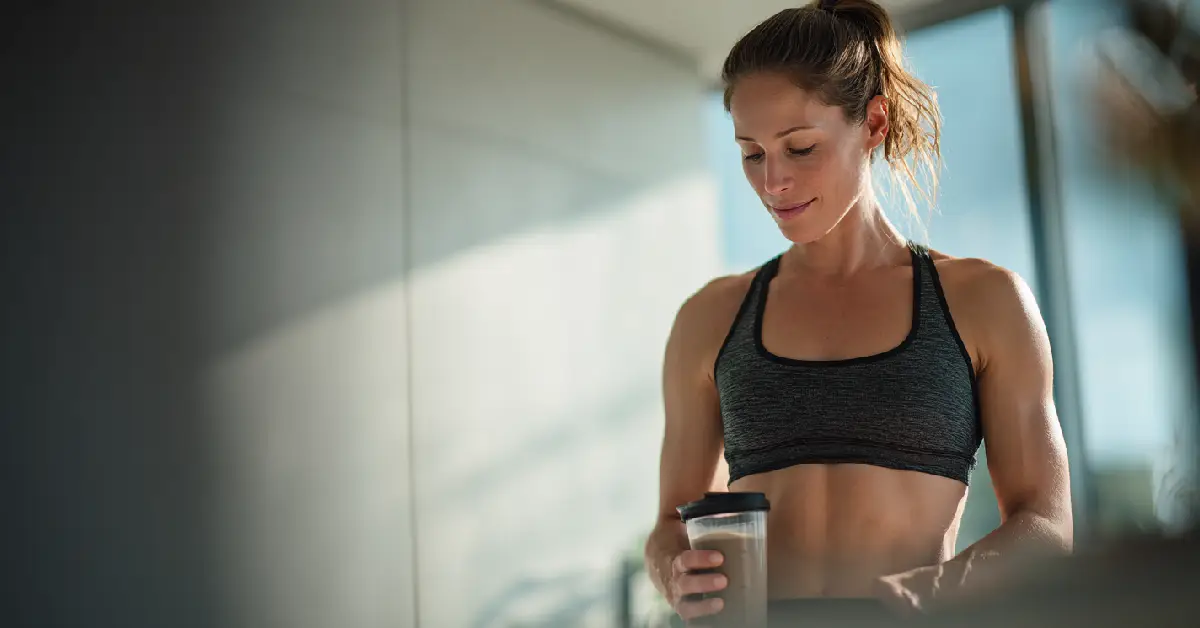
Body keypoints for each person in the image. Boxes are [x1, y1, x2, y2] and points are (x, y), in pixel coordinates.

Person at [643, 0, 1074, 622]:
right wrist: (671, 570)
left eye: (800, 147)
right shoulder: (709, 318)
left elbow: (1047, 525)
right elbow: (668, 523)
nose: (773, 183)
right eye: (751, 153)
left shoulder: (984, 301)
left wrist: (928, 593)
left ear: (874, 124)